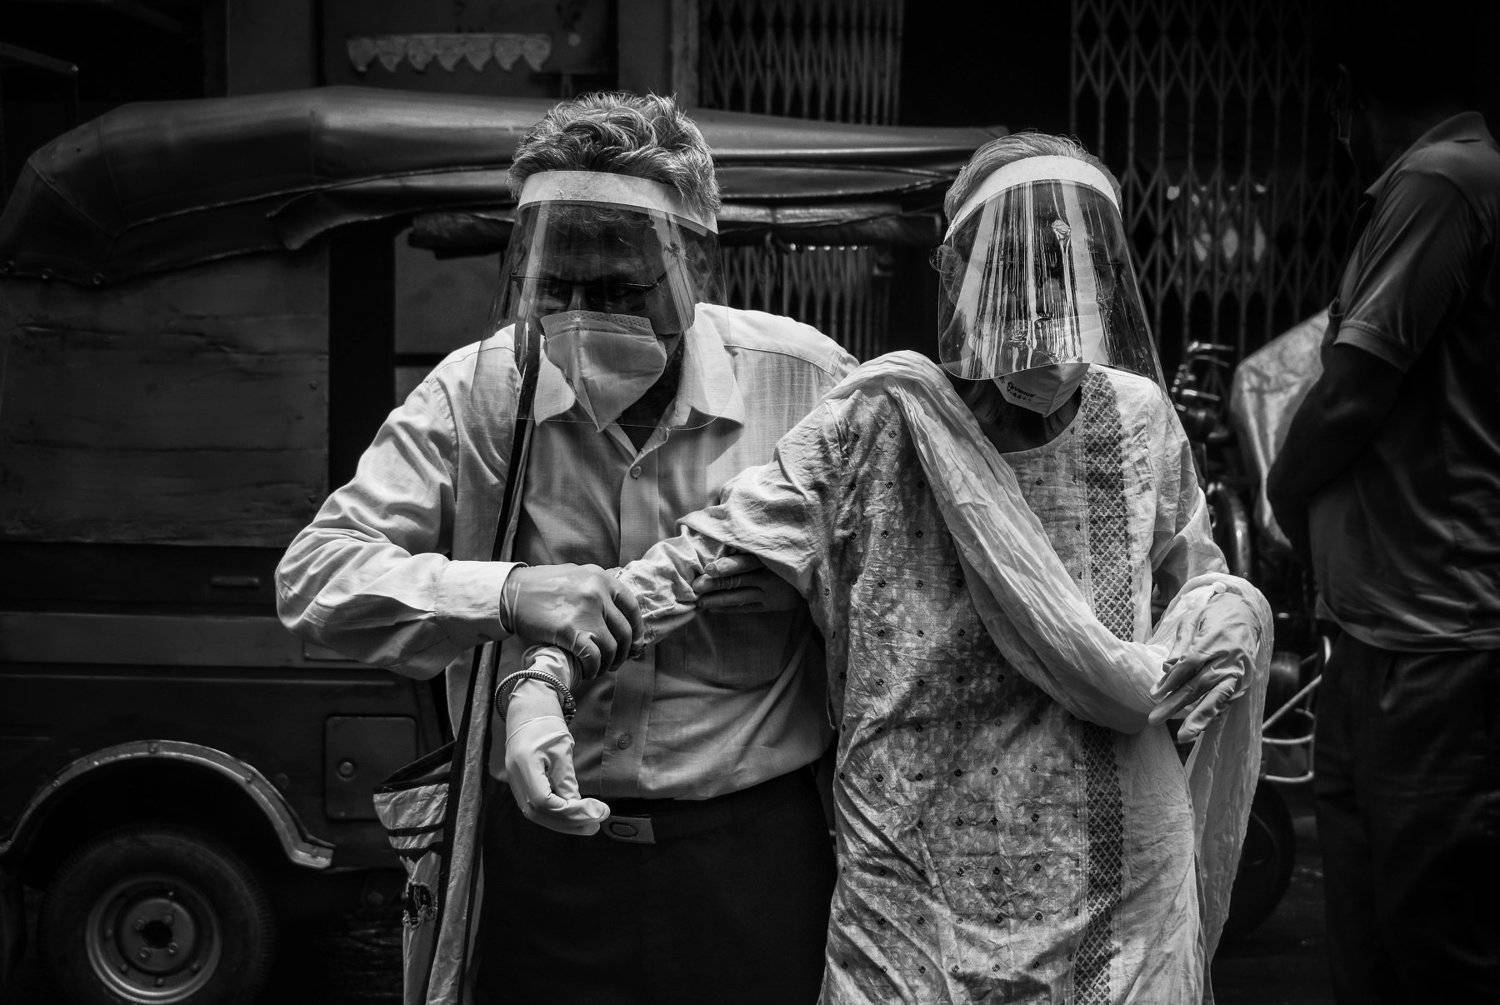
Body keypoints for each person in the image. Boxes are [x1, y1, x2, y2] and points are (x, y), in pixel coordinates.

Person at [510, 133, 1272, 1003]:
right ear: (953, 276)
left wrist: (1229, 608)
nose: (1042, 302)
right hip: (912, 901)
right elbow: (698, 559)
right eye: (1013, 270)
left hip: (1118, 895)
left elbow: (1194, 575)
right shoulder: (876, 420)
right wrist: (547, 674)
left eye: (1069, 272)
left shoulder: (1140, 420)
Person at [276, 92, 857, 1003]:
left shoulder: (807, 387)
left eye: (621, 290)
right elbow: (316, 579)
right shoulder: (479, 393)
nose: (584, 318)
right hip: (539, 866)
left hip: (749, 862)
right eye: (556, 288)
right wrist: (509, 591)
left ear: (697, 262)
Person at [1267, 7, 1500, 1001]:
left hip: (1433, 640)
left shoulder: (1442, 179)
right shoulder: (1446, 176)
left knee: (1429, 940)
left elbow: (1355, 390)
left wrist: (1284, 495)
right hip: (1382, 632)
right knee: (1369, 936)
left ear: (1348, 97)